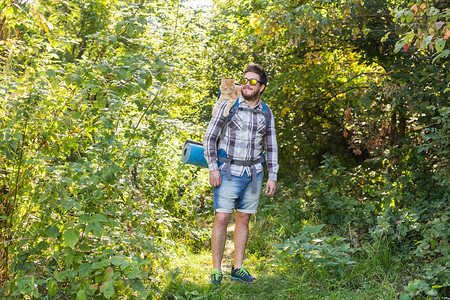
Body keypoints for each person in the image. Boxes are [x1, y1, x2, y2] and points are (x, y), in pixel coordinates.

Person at [203, 63, 279, 284]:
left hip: (254, 173)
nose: (247, 84)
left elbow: (271, 145)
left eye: (252, 81)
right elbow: (210, 138)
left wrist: (272, 175)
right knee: (222, 218)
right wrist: (213, 168)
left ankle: (237, 268)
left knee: (243, 219)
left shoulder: (266, 112)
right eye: (244, 80)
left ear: (262, 87)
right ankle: (216, 270)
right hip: (227, 171)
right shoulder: (229, 106)